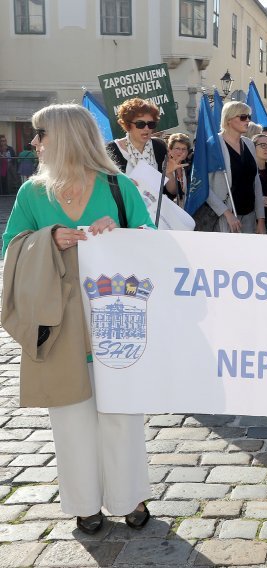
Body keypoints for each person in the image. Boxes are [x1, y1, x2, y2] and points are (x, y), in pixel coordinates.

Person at [1, 103, 154, 535]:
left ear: (64, 137)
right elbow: (9, 248)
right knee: (69, 416)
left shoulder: (119, 186)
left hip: (115, 316)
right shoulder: (33, 192)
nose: (33, 143)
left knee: (121, 413)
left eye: (39, 134)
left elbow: (152, 245)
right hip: (58, 320)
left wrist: (122, 235)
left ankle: (130, 497)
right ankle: (85, 504)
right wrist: (47, 238)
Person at [207, 101, 266, 234]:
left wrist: (260, 219)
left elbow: (255, 182)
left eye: (249, 117)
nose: (248, 121)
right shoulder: (213, 145)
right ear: (228, 119)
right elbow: (204, 186)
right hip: (225, 217)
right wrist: (226, 213)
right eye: (243, 117)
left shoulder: (249, 144)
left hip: (250, 216)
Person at [106, 99, 183, 198]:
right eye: (140, 124)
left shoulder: (159, 146)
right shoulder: (112, 150)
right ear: (128, 125)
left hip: (156, 211)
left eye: (151, 124)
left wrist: (169, 173)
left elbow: (172, 192)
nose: (146, 128)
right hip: (126, 211)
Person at [163, 133, 191, 208]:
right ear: (170, 150)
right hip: (170, 209)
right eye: (177, 148)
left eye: (184, 149)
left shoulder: (188, 167)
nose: (181, 152)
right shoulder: (164, 165)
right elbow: (172, 192)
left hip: (187, 209)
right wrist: (169, 173)